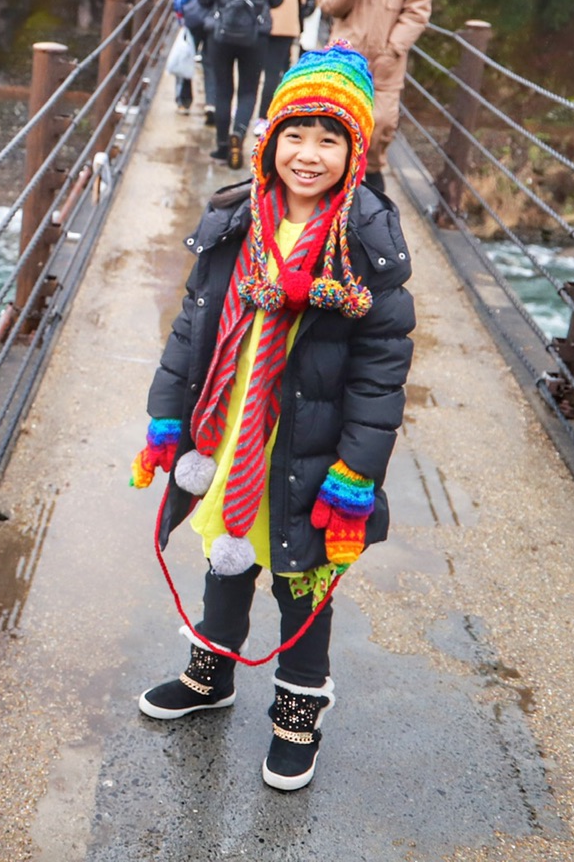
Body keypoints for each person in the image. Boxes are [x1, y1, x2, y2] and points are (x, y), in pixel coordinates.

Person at [130, 45, 414, 792]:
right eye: (295, 134)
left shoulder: (366, 245)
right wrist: (167, 417)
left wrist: (356, 471)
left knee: (302, 574)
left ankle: (298, 708)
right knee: (226, 548)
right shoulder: (233, 222)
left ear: (355, 151)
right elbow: (191, 332)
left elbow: (382, 374)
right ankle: (211, 669)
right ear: (270, 141)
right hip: (230, 432)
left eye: (329, 138)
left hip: (310, 445)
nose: (308, 154)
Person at [316, 0, 432, 196]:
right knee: (337, 119)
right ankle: (338, 176)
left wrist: (394, 47)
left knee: (380, 124)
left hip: (386, 63)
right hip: (345, 59)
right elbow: (328, 4)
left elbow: (418, 10)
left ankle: (373, 170)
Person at [190, 0, 284, 168]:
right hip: (256, 34)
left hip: (220, 32)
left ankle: (221, 146)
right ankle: (238, 135)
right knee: (247, 89)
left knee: (223, 89)